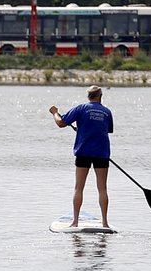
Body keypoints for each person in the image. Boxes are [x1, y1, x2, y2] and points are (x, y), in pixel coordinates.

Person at [49, 85, 114, 228]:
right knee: (102, 189)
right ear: (100, 97)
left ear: (88, 97)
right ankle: (105, 223)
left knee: (79, 187)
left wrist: (55, 112)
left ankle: (75, 221)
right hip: (102, 153)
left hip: (84, 152)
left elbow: (61, 123)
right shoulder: (107, 112)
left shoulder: (81, 108)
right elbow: (105, 130)